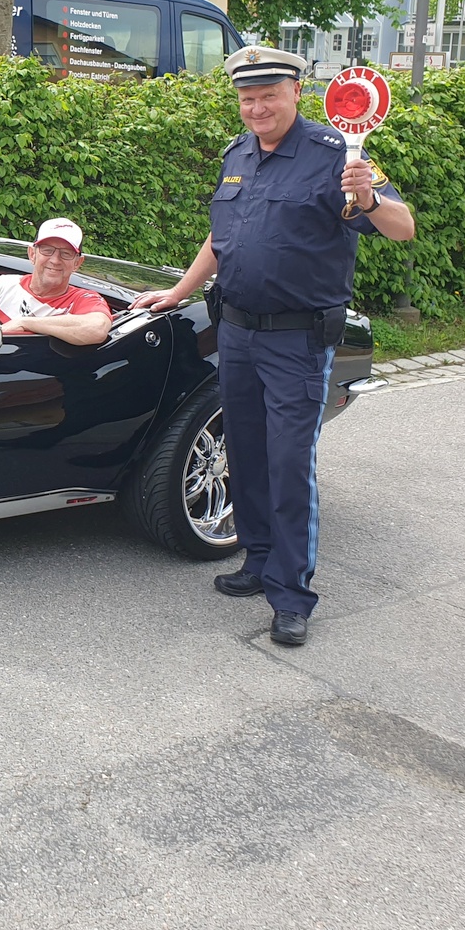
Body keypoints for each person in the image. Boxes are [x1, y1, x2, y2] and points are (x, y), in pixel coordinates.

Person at [131, 46, 415, 646]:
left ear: (296, 94)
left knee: (288, 465)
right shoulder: (238, 155)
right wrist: (179, 290)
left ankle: (291, 593)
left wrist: (366, 198)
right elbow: (222, 236)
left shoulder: (336, 154)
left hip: (297, 341)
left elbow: (401, 225)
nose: (257, 107)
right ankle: (258, 561)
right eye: (247, 98)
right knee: (248, 452)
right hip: (235, 332)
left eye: (268, 95)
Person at [0, 218, 111, 346]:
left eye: (66, 253)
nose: (55, 260)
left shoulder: (84, 299)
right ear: (32, 254)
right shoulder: (3, 285)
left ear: (77, 263)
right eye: (47, 250)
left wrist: (24, 323)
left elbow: (96, 329)